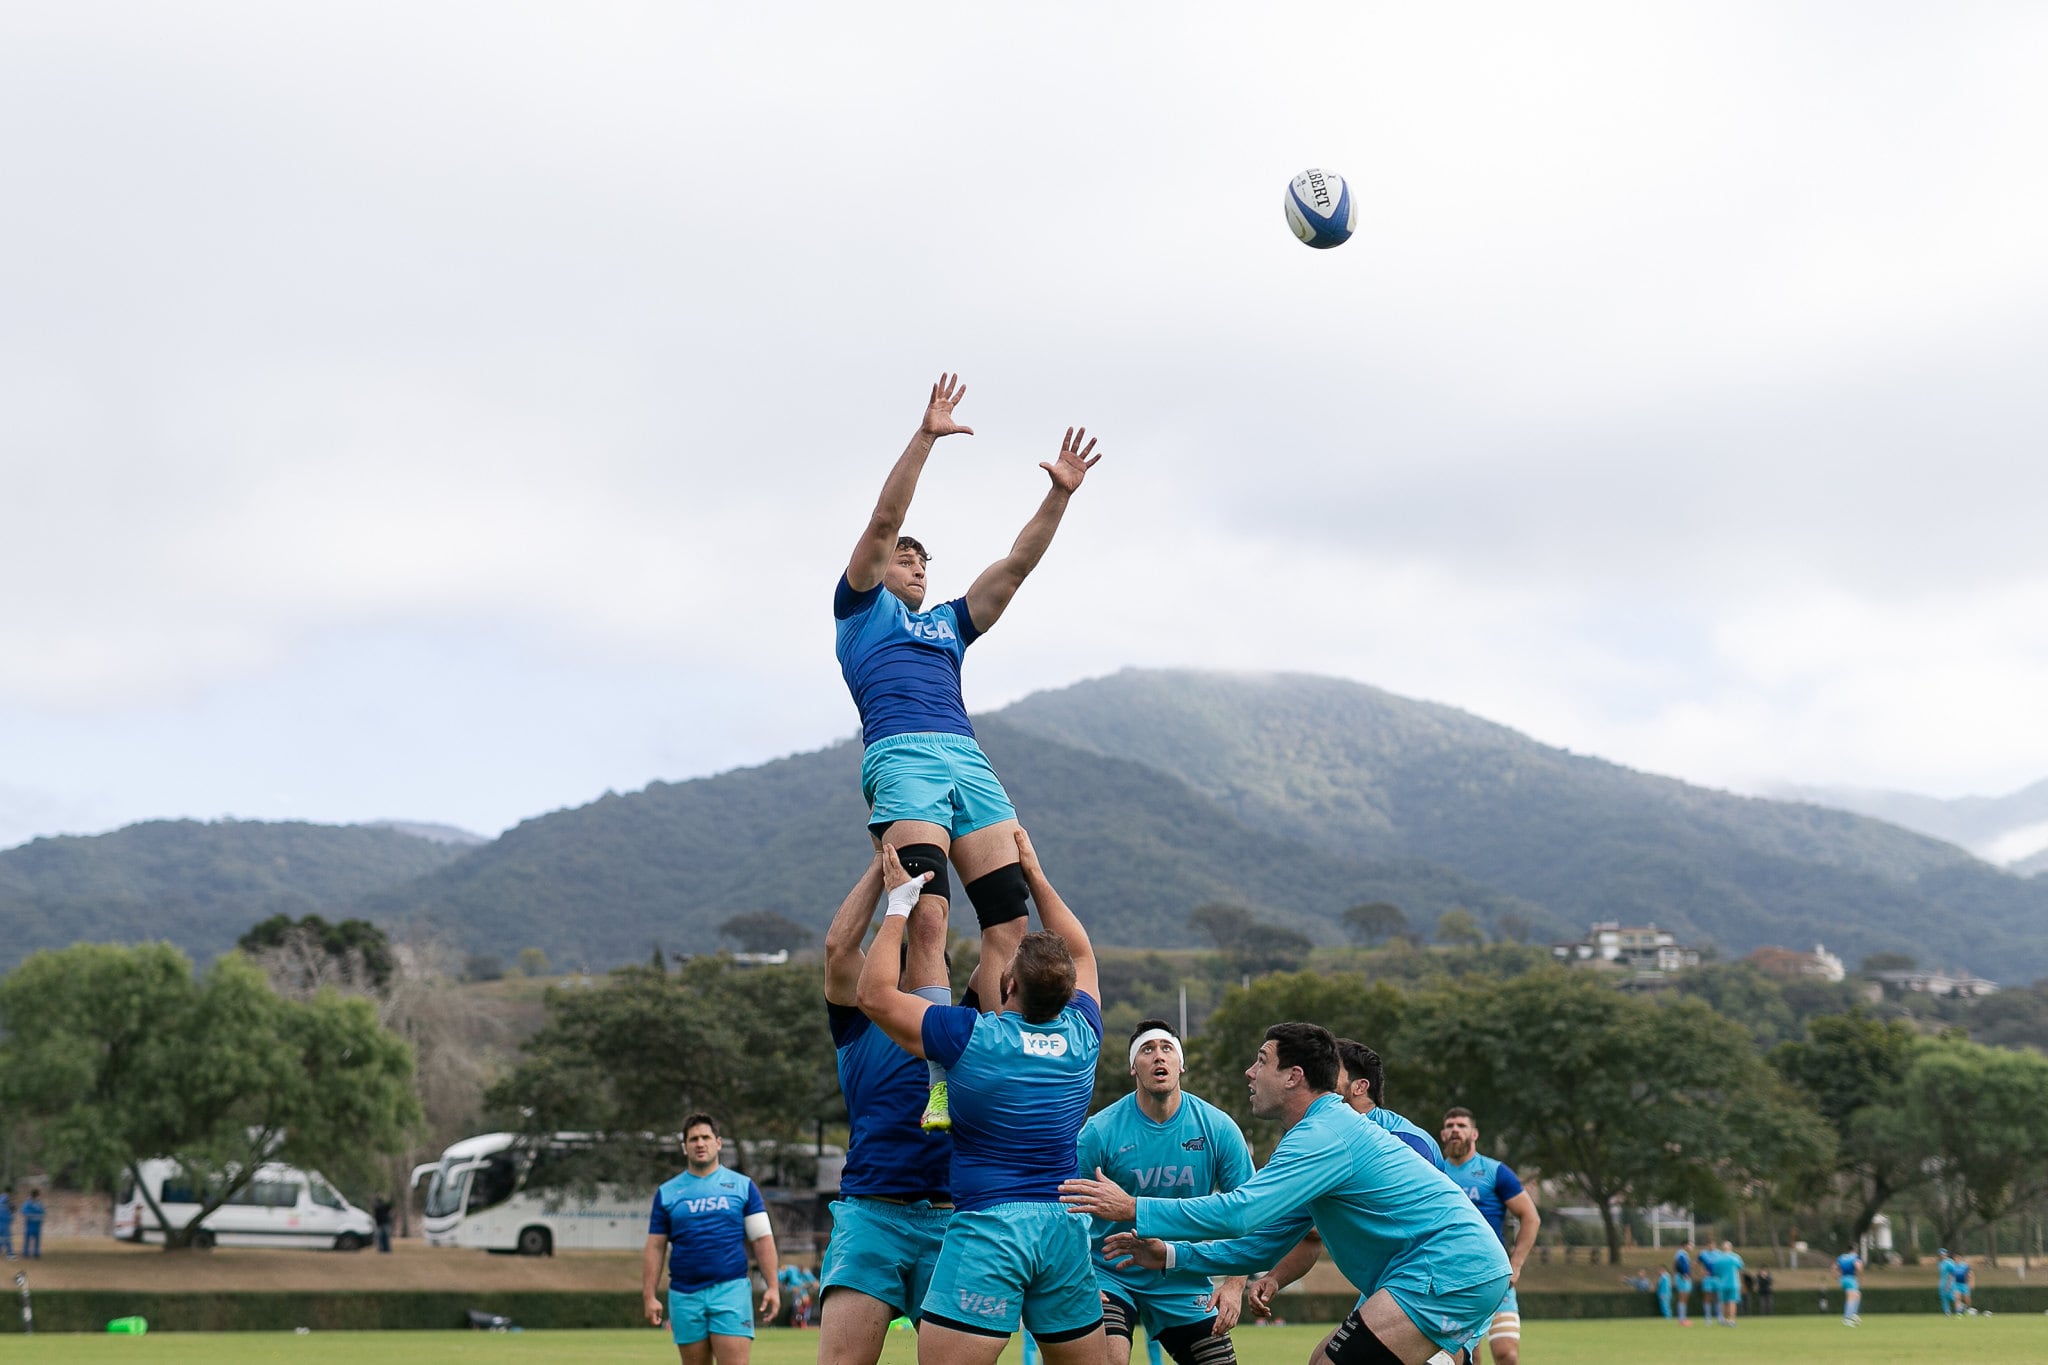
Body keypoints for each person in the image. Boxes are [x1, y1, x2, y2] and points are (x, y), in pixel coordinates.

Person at [835, 373, 1102, 1131]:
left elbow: (1016, 566)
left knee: (1010, 931)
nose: (917, 565)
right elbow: (886, 516)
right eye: (905, 559)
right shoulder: (858, 608)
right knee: (920, 918)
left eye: (924, 559)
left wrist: (1060, 495)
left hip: (967, 760)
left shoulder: (949, 623)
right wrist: (926, 435)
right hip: (904, 757)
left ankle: (994, 1048)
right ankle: (940, 1077)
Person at [1065, 1022, 1511, 1365]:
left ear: (1294, 1076)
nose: (1250, 1071)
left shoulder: (1322, 1134)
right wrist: (1171, 1257)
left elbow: (1239, 1213)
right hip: (1440, 1270)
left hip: (1447, 1268)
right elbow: (1262, 1244)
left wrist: (1133, 1208)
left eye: (1261, 1060)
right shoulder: (1314, 1137)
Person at [857, 830, 1106, 1365]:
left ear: (1007, 984)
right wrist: (1036, 877)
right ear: (1067, 996)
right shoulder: (1083, 1035)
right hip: (1063, 1232)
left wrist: (898, 906)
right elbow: (1081, 949)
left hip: (992, 1230)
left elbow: (873, 995)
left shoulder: (970, 1036)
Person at [819, 856, 956, 1365]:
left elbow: (1000, 953)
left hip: (950, 1219)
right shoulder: (858, 1024)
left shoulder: (960, 1025)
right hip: (871, 1212)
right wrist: (885, 861)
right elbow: (838, 948)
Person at [1075, 1019, 1254, 1365]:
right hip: (1110, 1274)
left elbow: (1248, 1214)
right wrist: (1079, 1277)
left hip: (1181, 1275)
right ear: (1133, 1067)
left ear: (1180, 1064)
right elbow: (1067, 1209)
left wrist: (1233, 1286)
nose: (1159, 1057)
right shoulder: (1099, 1131)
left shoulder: (1217, 1129)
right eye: (1147, 1050)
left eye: (1167, 1049)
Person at [1236, 1039, 1444, 1319]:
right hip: (1386, 1287)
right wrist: (1275, 1278)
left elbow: (1422, 1229)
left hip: (1433, 1282)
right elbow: (1308, 1234)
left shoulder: (1407, 1142)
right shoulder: (1317, 1139)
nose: (1318, 1075)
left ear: (1359, 1087)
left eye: (1332, 1069)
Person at [643, 1114, 780, 1365]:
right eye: (693, 1139)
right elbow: (655, 1246)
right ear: (685, 1147)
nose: (700, 1143)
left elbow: (761, 1238)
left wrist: (773, 1286)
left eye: (705, 1137)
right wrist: (649, 1295)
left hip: (731, 1290)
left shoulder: (743, 1186)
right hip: (685, 1294)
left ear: (718, 1143)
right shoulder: (667, 1193)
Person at [1437, 1108, 1540, 1365]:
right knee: (1466, 1356)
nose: (1455, 1130)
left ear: (1474, 1133)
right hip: (1453, 1279)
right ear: (1442, 1134)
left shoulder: (1496, 1172)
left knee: (1507, 1354)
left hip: (1495, 1275)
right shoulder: (1434, 1172)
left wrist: (1516, 1265)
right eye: (1450, 1125)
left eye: (1461, 1125)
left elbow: (1530, 1217)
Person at [1716, 1241, 1743, 1326]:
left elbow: (1716, 1272)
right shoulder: (1736, 1257)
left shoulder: (1718, 1258)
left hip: (1722, 1283)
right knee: (1732, 1301)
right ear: (1731, 1248)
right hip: (1734, 1283)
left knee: (1724, 1302)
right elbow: (1740, 1268)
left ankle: (1723, 1319)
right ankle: (1731, 1320)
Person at [1835, 1246, 1862, 1326]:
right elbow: (1858, 1267)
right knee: (1851, 1298)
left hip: (1843, 1279)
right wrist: (1859, 1275)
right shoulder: (1854, 1257)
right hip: (1851, 1279)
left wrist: (1837, 1277)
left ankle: (1854, 1314)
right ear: (1854, 1250)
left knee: (1858, 1294)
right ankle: (1846, 1319)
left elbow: (1834, 1267)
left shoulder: (1841, 1257)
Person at [1671, 1241, 1693, 1326]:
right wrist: (1683, 1274)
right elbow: (1678, 1265)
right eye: (1690, 1245)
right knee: (1682, 1297)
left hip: (1683, 1277)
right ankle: (1681, 1319)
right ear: (1685, 1245)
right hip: (1682, 1278)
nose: (1691, 1247)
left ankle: (1683, 1318)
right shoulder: (1681, 1254)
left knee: (1684, 1298)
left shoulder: (1683, 1254)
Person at [21, 1190, 43, 1260]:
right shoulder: (27, 1203)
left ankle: (36, 1253)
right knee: (27, 1239)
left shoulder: (39, 1204)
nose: (38, 1198)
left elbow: (43, 1212)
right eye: (37, 1196)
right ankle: (25, 1253)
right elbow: (24, 1212)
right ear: (35, 1196)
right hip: (30, 1224)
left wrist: (39, 1216)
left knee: (37, 1240)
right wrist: (33, 1216)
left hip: (37, 1224)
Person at [1937, 1248, 1956, 1315]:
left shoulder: (1950, 1262)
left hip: (1949, 1283)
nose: (1942, 1255)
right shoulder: (1940, 1263)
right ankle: (1947, 1311)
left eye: (1943, 1254)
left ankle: (1962, 1308)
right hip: (1942, 1283)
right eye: (1940, 1254)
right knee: (1943, 1297)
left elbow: (1953, 1274)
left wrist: (1949, 1284)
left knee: (1952, 1297)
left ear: (1946, 1254)